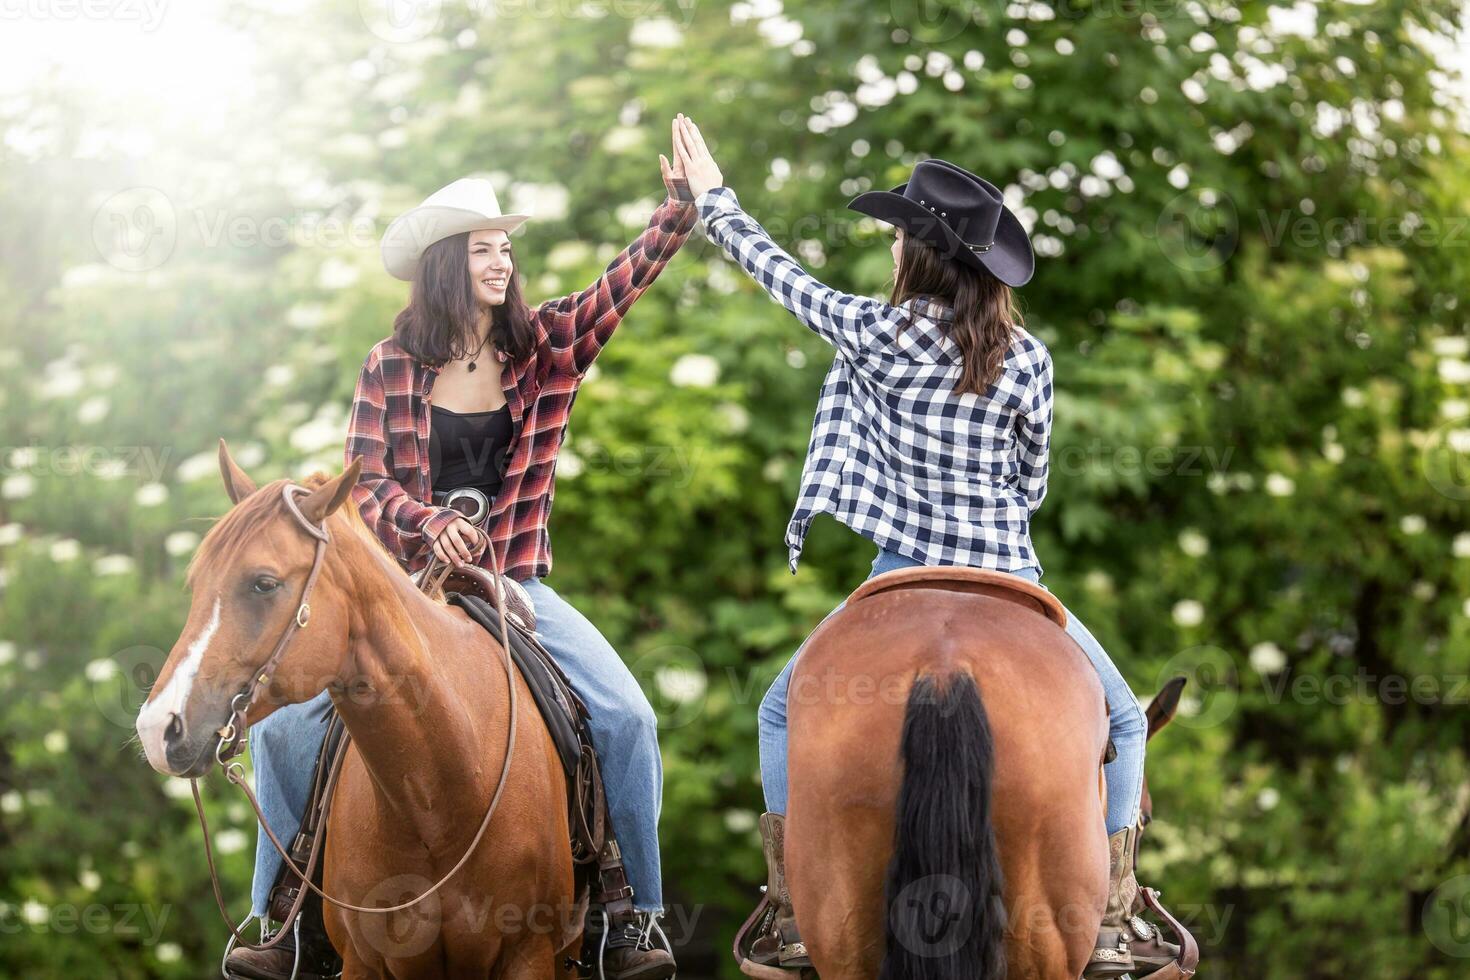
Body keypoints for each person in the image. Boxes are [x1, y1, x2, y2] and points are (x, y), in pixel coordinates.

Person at [671, 114, 1176, 978]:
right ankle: (1119, 912)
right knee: (1123, 720)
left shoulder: (875, 330)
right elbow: (1032, 479)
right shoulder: (1030, 358)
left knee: (779, 710)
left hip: (899, 573)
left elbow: (777, 274)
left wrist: (714, 199)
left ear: (918, 255)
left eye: (900, 237)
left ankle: (792, 903)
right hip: (1010, 574)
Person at [224, 121, 696, 980]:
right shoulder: (390, 364)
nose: (502, 262)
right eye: (484, 249)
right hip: (406, 592)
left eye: (505, 248)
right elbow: (361, 487)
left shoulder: (546, 348)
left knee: (629, 718)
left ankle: (633, 920)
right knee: (285, 732)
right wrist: (423, 523)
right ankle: (283, 924)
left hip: (517, 582)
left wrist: (680, 212)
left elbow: (619, 290)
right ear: (448, 262)